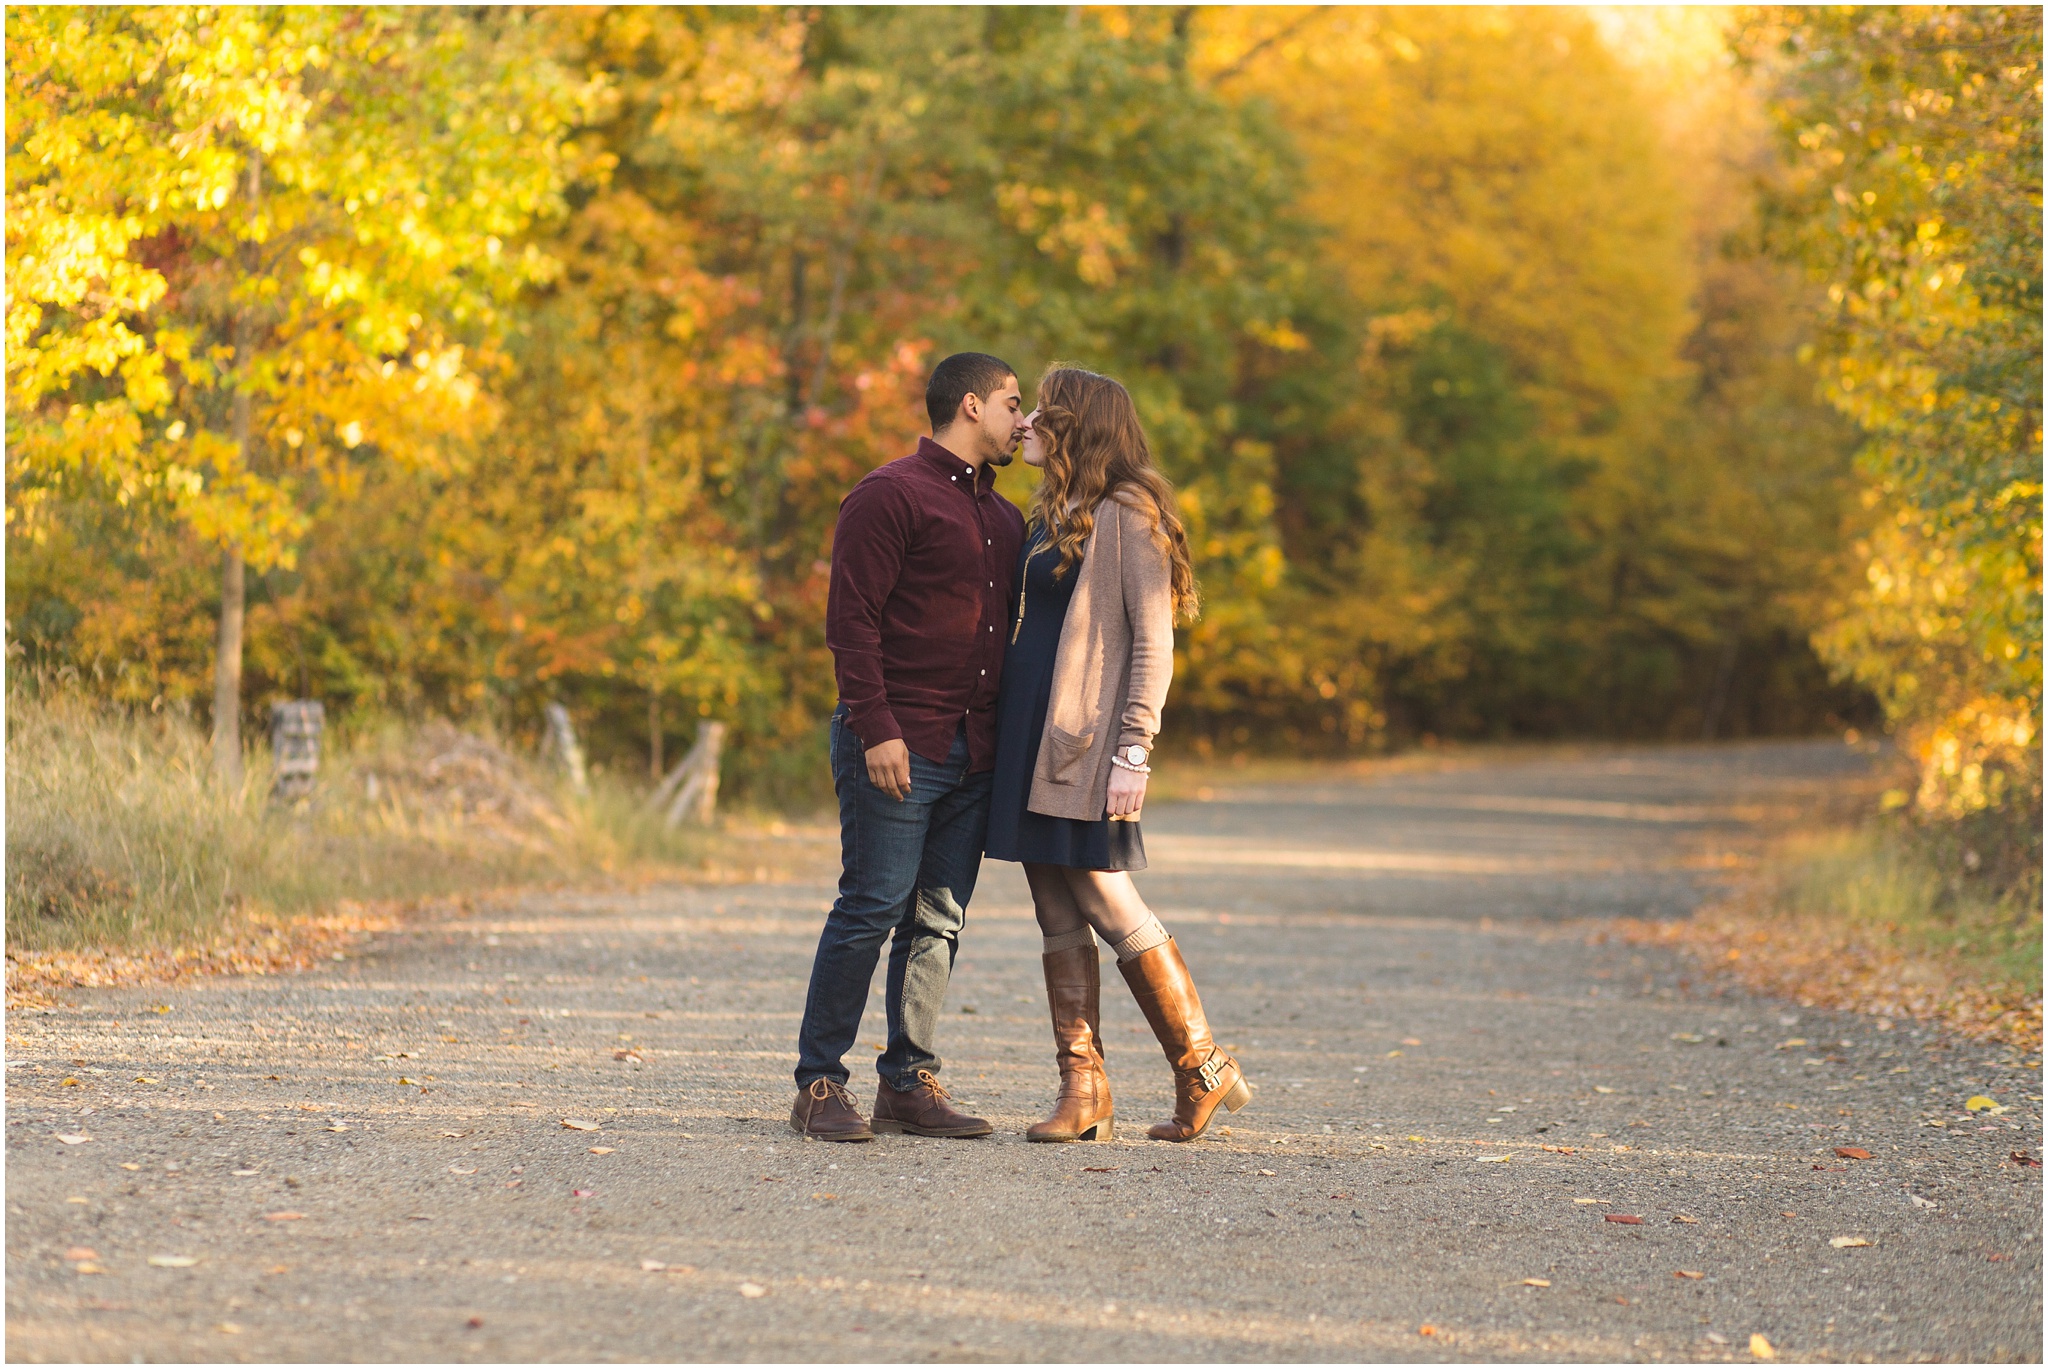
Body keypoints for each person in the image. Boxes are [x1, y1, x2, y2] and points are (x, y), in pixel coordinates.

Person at [985, 364, 1252, 1143]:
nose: (1027, 422)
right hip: (1033, 734)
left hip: (1092, 740)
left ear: (1079, 424)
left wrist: (1135, 747)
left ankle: (1201, 1063)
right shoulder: (1055, 510)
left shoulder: (1128, 512)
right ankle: (1084, 1086)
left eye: (1043, 410)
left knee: (1102, 892)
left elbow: (1154, 643)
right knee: (1052, 903)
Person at [790, 352, 1028, 1142]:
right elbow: (850, 622)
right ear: (970, 405)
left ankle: (909, 1082)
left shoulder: (1004, 518)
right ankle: (819, 1082)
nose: (1021, 420)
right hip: (899, 738)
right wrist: (877, 727)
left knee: (938, 919)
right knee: (870, 907)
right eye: (1012, 404)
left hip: (973, 750)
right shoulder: (888, 494)